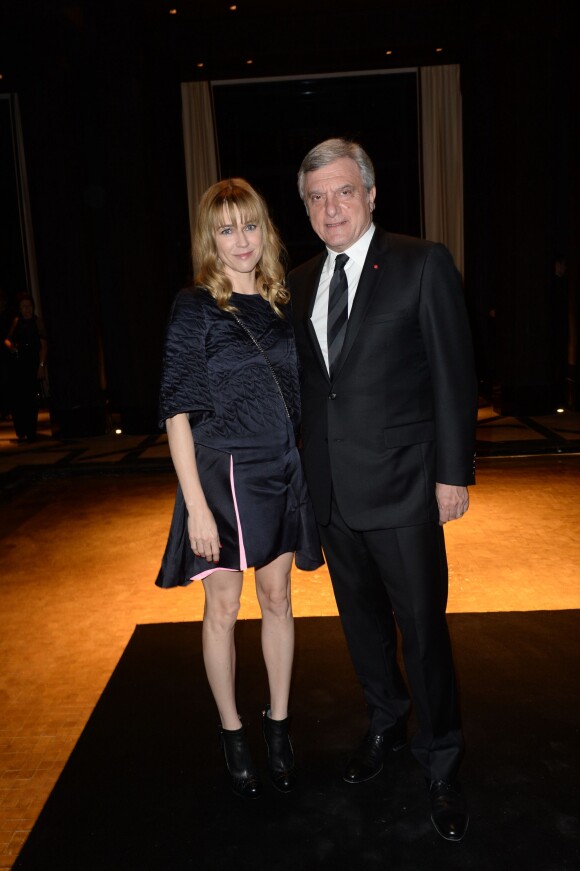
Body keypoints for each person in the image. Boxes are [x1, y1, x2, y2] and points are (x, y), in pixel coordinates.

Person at [287, 139, 477, 841]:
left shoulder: (422, 264)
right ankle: (387, 723)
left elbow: (454, 374)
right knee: (362, 627)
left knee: (424, 631)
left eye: (342, 191)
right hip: (333, 493)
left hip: (403, 489)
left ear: (369, 194)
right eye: (316, 197)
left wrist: (453, 471)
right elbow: (312, 390)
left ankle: (442, 761)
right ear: (305, 207)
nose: (331, 207)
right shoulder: (300, 279)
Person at [156, 178, 323, 800]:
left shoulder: (284, 302)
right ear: (210, 239)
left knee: (278, 599)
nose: (241, 240)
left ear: (266, 231)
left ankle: (277, 724)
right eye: (226, 229)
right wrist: (195, 507)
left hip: (280, 467)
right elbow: (176, 409)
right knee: (222, 609)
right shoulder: (195, 305)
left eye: (249, 225)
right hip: (221, 477)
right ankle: (231, 731)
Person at [4, 294, 48, 442]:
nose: (27, 309)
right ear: (20, 309)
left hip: (32, 363)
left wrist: (41, 366)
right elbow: (7, 340)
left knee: (31, 399)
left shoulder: (37, 323)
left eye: (29, 306)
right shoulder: (17, 322)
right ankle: (21, 430)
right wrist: (12, 348)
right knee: (19, 398)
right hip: (18, 364)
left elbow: (43, 346)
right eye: (24, 306)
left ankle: (31, 430)